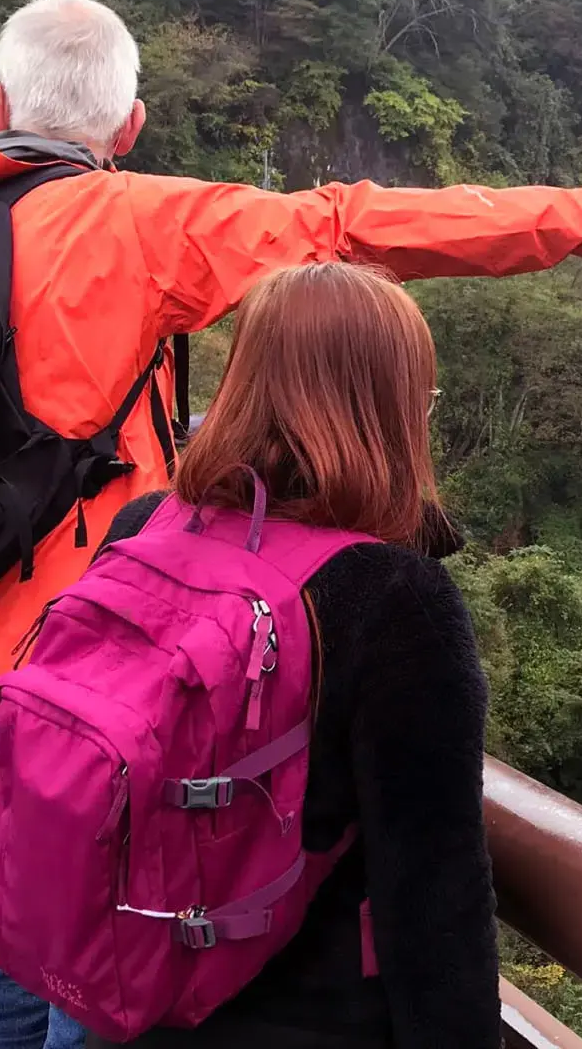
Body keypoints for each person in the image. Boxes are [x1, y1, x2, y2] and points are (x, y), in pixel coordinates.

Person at [0, 0, 582, 1049]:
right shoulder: (130, 221)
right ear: (130, 128)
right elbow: (339, 226)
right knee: (105, 978)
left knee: (18, 945)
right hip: (121, 683)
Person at [90, 262, 498, 1047]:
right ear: (390, 406)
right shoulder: (392, 595)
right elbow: (434, 890)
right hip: (311, 1017)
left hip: (141, 985)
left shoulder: (143, 526)